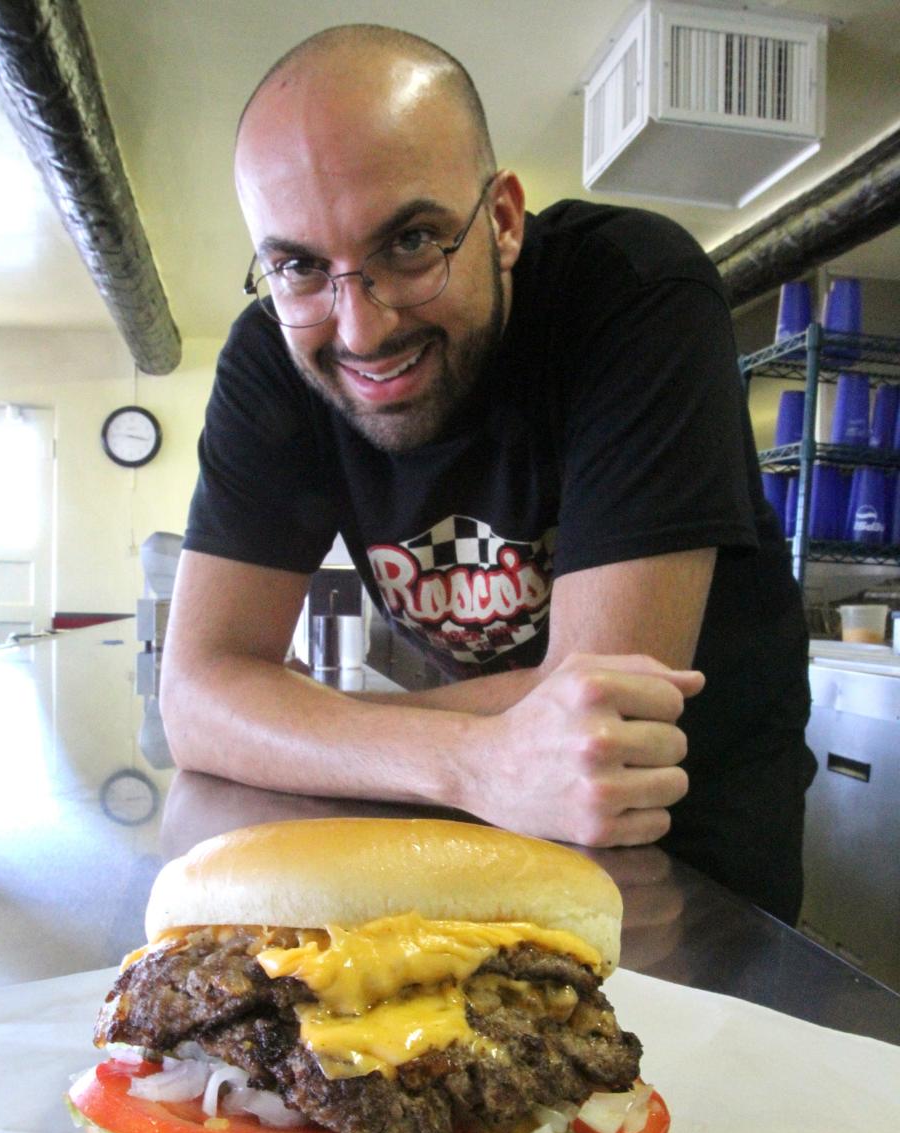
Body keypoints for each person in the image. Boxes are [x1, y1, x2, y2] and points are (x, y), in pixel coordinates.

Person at [160, 24, 814, 925]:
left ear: (502, 221)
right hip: (466, 823)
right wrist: (473, 761)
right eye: (299, 265)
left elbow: (604, 715)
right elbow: (195, 702)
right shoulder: (274, 357)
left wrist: (295, 724)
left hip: (686, 849)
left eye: (412, 241)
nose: (359, 330)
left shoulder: (633, 295)